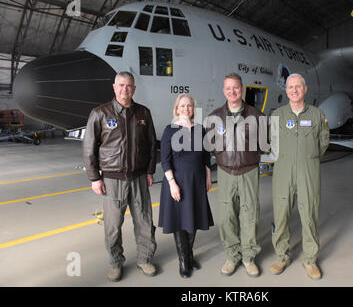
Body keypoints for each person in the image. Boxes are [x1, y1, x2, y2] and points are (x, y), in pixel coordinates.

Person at [83, 71, 158, 282]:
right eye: (121, 85)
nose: (125, 89)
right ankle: (116, 263)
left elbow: (152, 145)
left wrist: (150, 171)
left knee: (144, 221)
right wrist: (94, 178)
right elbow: (89, 147)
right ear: (114, 87)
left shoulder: (144, 113)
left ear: (134, 89)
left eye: (129, 86)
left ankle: (145, 259)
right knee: (113, 226)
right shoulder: (100, 113)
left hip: (139, 177)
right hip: (112, 180)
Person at [205, 72, 266, 278]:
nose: (232, 91)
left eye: (236, 88)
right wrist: (222, 157)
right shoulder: (214, 117)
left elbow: (264, 143)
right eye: (228, 88)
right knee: (227, 216)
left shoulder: (256, 115)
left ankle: (249, 257)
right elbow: (210, 145)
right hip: (225, 172)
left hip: (248, 171)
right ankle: (232, 256)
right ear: (224, 90)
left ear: (242, 89)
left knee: (250, 215)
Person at [269, 73, 329, 280]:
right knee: (281, 215)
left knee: (309, 214)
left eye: (297, 87)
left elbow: (323, 142)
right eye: (290, 87)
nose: (294, 90)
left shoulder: (317, 115)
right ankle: (281, 256)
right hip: (283, 170)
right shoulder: (277, 115)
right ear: (286, 91)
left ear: (305, 89)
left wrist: (308, 157)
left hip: (308, 170)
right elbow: (273, 142)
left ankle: (310, 259)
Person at [159, 94, 214, 278]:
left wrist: (208, 177)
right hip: (178, 182)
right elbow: (165, 161)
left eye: (189, 106)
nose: (186, 109)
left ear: (193, 109)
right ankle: (184, 260)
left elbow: (206, 156)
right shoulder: (170, 130)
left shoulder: (200, 130)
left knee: (194, 218)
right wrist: (172, 184)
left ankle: (189, 254)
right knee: (180, 221)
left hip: (197, 181)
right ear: (177, 108)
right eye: (182, 106)